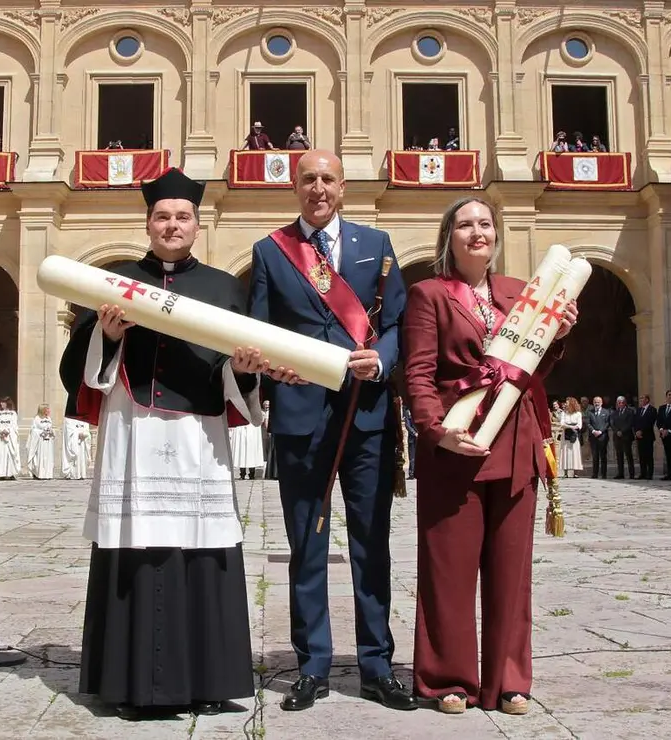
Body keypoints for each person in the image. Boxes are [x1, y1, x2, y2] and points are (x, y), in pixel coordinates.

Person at [59, 167, 261, 719]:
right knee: (138, 541)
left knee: (201, 543)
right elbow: (78, 368)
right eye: (162, 216)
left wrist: (244, 372)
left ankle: (209, 679)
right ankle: (134, 684)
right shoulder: (114, 281)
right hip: (136, 430)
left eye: (182, 217)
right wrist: (108, 334)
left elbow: (236, 370)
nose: (172, 225)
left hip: (198, 435)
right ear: (148, 223)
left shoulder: (225, 288)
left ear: (198, 224)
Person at [246, 149, 411, 712]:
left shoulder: (376, 245)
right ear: (296, 188)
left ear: (343, 187)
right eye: (308, 179)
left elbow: (394, 325)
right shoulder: (271, 252)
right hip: (300, 417)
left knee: (371, 543)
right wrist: (268, 364)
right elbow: (262, 328)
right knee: (306, 546)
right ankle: (312, 664)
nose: (318, 188)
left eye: (328, 179)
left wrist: (381, 360)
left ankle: (376, 664)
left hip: (365, 415)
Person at [402, 196, 577, 715]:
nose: (477, 232)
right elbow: (418, 372)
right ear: (448, 237)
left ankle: (508, 680)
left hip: (516, 442)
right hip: (457, 444)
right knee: (448, 572)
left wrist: (559, 333)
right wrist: (434, 430)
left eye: (485, 224)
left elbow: (533, 370)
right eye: (465, 225)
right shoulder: (428, 294)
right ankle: (446, 679)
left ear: (496, 234)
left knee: (511, 572)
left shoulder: (520, 293)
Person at [0, 398, 20, 480]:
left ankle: (11, 473)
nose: (2, 404)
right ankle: (1, 473)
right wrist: (1, 431)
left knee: (9, 455)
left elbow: (14, 425)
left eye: (3, 402)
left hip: (10, 437)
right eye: (1, 402)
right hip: (1, 437)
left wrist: (8, 431)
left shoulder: (13, 413)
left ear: (7, 403)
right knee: (1, 454)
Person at [230, 412, 264, 480]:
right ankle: (242, 473)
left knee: (251, 450)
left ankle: (252, 473)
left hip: (251, 426)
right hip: (241, 425)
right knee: (241, 450)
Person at [26, 404, 56, 480]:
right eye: (47, 409)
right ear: (43, 410)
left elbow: (50, 427)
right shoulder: (37, 418)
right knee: (40, 457)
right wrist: (41, 432)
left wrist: (51, 431)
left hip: (48, 441)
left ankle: (47, 474)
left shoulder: (49, 418)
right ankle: (39, 474)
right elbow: (33, 430)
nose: (49, 411)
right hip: (40, 442)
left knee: (48, 457)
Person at [585, 396, 610, 479]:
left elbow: (607, 423)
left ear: (601, 403)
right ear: (593, 403)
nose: (597, 404)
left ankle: (604, 474)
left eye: (598, 402)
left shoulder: (606, 412)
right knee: (595, 456)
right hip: (593, 437)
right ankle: (595, 474)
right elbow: (588, 423)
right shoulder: (590, 412)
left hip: (602, 437)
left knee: (603, 456)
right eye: (595, 402)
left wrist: (600, 431)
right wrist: (593, 431)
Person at [610, 396, 635, 479]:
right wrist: (617, 431)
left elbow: (630, 423)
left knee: (628, 455)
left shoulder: (630, 412)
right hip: (617, 436)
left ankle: (631, 474)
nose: (620, 404)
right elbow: (612, 424)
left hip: (626, 436)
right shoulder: (614, 413)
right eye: (619, 402)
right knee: (619, 455)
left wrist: (622, 431)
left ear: (625, 403)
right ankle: (620, 473)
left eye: (622, 402)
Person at [633, 394, 657, 480]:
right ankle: (643, 473)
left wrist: (641, 431)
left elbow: (650, 422)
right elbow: (635, 422)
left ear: (647, 400)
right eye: (640, 398)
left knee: (649, 456)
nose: (641, 400)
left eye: (643, 398)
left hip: (648, 436)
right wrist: (636, 431)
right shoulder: (639, 410)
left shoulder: (652, 410)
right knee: (641, 456)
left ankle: (649, 474)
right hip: (639, 437)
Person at [558, 397, 583, 477]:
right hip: (565, 435)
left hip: (574, 435)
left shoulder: (578, 414)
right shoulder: (564, 413)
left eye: (567, 403)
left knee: (575, 453)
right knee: (565, 452)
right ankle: (565, 472)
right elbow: (562, 424)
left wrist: (569, 426)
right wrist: (571, 426)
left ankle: (575, 472)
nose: (566, 404)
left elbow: (579, 425)